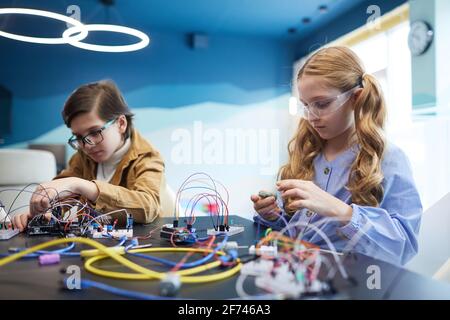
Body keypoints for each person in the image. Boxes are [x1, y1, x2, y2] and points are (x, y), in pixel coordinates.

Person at [251, 46, 422, 265]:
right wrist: (275, 217)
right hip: (302, 276)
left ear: (356, 98)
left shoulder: (388, 159)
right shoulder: (309, 154)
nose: (311, 116)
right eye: (305, 105)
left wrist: (343, 212)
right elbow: (302, 234)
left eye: (322, 104)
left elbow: (404, 246)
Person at [13, 80, 165, 231]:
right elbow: (62, 199)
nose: (87, 145)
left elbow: (148, 206)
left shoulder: (148, 157)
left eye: (94, 132)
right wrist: (42, 214)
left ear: (121, 124)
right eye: (79, 137)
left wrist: (81, 185)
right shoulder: (82, 157)